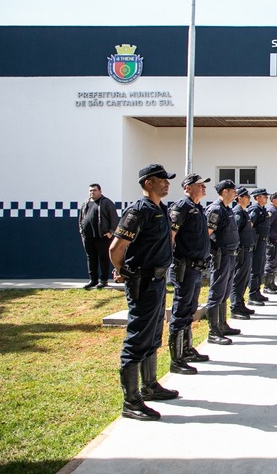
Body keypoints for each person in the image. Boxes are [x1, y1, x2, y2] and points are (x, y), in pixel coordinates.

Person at [108, 164, 177, 421]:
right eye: (162, 179)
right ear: (148, 183)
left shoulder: (160, 208)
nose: (167, 183)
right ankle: (132, 401)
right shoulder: (138, 211)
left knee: (152, 335)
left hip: (158, 281)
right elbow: (116, 248)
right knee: (137, 338)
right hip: (144, 282)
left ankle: (150, 385)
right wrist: (122, 270)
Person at [167, 173, 212, 375]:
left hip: (196, 267)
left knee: (190, 309)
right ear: (187, 188)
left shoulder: (198, 208)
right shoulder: (181, 207)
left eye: (204, 185)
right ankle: (177, 359)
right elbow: (171, 236)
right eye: (199, 185)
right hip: (184, 267)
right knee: (181, 311)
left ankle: (187, 349)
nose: (203, 188)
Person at [204, 180, 241, 345]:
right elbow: (207, 234)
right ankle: (213, 330)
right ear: (225, 191)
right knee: (217, 292)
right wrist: (214, 252)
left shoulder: (228, 209)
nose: (236, 193)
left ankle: (222, 324)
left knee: (225, 291)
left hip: (231, 255)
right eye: (233, 190)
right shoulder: (216, 209)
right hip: (221, 256)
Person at [79, 183, 119, 289]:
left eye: (94, 190)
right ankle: (93, 280)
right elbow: (81, 219)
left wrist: (111, 232)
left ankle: (104, 280)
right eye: (90, 190)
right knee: (91, 258)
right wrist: (81, 231)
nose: (92, 192)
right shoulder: (85, 203)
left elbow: (114, 218)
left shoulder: (106, 203)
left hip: (102, 237)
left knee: (103, 258)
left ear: (100, 191)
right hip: (88, 237)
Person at [230, 186, 257, 320]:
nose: (249, 199)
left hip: (247, 250)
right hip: (241, 252)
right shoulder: (238, 213)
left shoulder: (244, 211)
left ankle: (241, 303)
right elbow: (235, 233)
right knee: (238, 279)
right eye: (247, 196)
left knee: (244, 279)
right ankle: (235, 307)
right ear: (239, 198)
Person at [247, 188, 271, 305]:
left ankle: (257, 292)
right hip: (257, 242)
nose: (266, 198)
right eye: (264, 196)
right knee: (255, 269)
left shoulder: (262, 209)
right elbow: (250, 225)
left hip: (262, 241)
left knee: (260, 269)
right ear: (257, 198)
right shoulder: (254, 209)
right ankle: (252, 295)